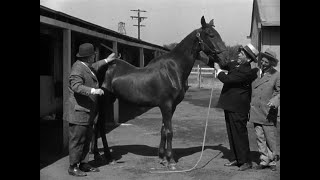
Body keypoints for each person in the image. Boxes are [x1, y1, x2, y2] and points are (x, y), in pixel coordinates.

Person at [64, 43, 116, 177]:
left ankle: (83, 163)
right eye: (93, 55)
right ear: (88, 57)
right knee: (77, 140)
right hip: (79, 111)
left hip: (87, 111)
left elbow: (95, 66)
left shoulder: (86, 66)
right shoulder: (77, 69)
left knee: (87, 139)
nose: (95, 57)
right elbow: (76, 86)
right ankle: (73, 167)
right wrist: (94, 90)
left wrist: (107, 60)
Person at [214, 43, 259, 171]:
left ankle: (246, 161)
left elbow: (227, 79)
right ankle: (236, 158)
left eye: (242, 53)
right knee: (231, 133)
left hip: (238, 108)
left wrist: (218, 70)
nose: (238, 54)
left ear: (249, 59)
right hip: (229, 105)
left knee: (240, 135)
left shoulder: (246, 72)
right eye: (240, 52)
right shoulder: (236, 65)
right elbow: (224, 63)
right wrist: (213, 58)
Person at [250, 48, 280, 171]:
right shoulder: (256, 73)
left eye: (266, 62)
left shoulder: (276, 75)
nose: (263, 63)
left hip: (268, 111)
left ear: (272, 63)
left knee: (270, 137)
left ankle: (272, 161)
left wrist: (275, 100)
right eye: (262, 60)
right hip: (256, 110)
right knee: (259, 137)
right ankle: (264, 160)